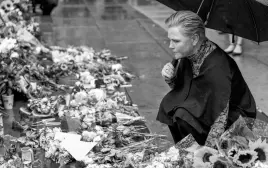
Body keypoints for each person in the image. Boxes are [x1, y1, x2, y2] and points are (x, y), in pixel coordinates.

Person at [157, 11, 256, 147]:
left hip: (233, 118)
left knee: (183, 114)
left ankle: (195, 153)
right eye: (170, 40)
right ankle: (187, 151)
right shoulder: (189, 53)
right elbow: (182, 92)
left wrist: (208, 156)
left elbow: (220, 117)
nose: (170, 46)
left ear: (194, 39)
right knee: (171, 105)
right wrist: (170, 78)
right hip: (207, 105)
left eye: (176, 41)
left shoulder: (217, 66)